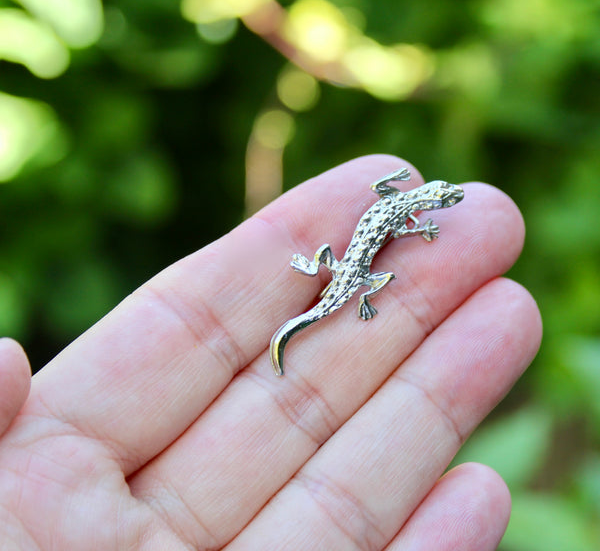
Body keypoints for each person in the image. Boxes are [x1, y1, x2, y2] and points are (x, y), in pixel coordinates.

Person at [0, 156, 541, 550]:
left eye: (440, 201)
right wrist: (404, 243)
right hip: (354, 270)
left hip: (347, 260)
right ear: (432, 200)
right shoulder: (401, 215)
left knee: (339, 289)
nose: (443, 202)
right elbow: (389, 223)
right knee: (348, 292)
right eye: (442, 200)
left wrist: (409, 206)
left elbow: (385, 194)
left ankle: (314, 283)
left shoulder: (397, 201)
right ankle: (333, 299)